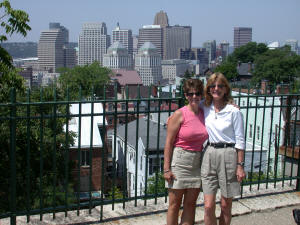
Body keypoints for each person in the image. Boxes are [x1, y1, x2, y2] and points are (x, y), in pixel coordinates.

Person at [201, 72, 246, 225]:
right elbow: (189, 108)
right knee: (208, 206)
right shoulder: (205, 106)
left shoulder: (234, 111)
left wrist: (240, 166)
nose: (216, 89)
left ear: (226, 89)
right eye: (213, 86)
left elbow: (240, 140)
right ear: (208, 89)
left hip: (228, 154)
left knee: (226, 205)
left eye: (220, 86)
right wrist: (173, 116)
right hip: (209, 153)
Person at [164, 79, 209, 225]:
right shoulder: (179, 114)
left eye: (197, 93)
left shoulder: (204, 113)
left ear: (202, 95)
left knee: (190, 204)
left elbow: (219, 105)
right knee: (174, 205)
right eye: (190, 94)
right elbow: (169, 143)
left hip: (197, 161)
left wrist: (232, 105)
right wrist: (166, 169)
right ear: (185, 95)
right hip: (180, 160)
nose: (194, 97)